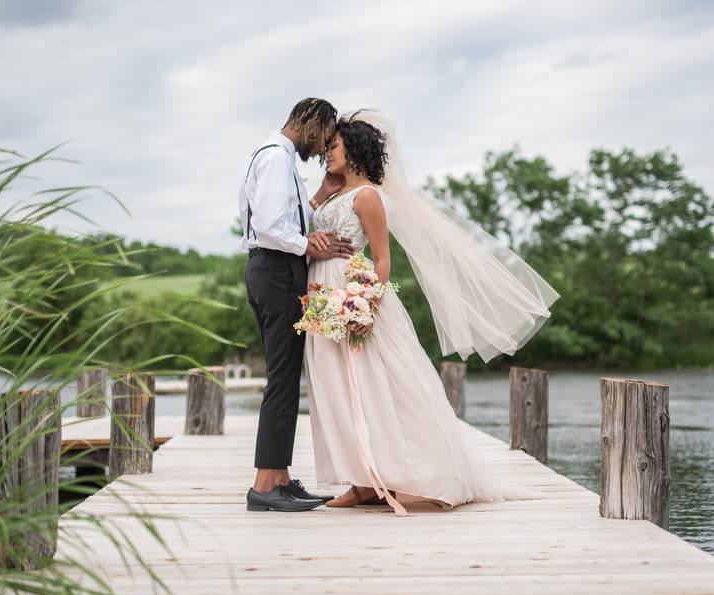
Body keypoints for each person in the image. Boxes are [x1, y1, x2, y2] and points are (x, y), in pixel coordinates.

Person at [304, 110, 561, 515]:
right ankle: (360, 479)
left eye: (332, 146)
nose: (325, 154)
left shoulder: (368, 196)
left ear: (353, 149)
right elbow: (309, 224)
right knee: (334, 387)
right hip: (321, 292)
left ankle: (380, 478)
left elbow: (382, 259)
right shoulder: (333, 194)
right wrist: (321, 191)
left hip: (352, 294)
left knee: (370, 386)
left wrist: (364, 304)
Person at [239, 98, 354, 512]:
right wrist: (308, 245)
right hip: (276, 271)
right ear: (312, 123)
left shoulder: (278, 158)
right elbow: (271, 227)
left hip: (273, 270)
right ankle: (264, 486)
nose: (324, 149)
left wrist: (320, 195)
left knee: (286, 376)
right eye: (325, 137)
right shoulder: (274, 158)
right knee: (283, 378)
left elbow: (283, 217)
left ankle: (281, 478)